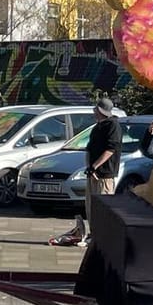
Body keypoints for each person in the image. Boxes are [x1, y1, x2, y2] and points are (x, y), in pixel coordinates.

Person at [49, 97, 121, 249]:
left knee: (103, 207)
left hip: (105, 174)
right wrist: (89, 167)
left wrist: (95, 166)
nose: (94, 112)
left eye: (96, 109)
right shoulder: (97, 127)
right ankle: (93, 235)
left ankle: (104, 238)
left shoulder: (113, 126)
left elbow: (110, 149)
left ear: (101, 111)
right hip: (92, 174)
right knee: (91, 207)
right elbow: (89, 148)